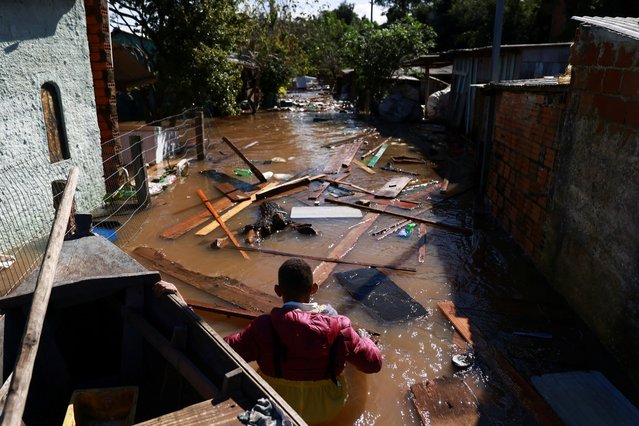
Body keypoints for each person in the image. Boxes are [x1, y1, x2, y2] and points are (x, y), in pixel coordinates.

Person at [224, 258, 382, 424]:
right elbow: (373, 364)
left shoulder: (262, 326)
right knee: (350, 354)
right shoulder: (338, 325)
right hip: (326, 408)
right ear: (313, 289)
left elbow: (227, 350)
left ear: (278, 291)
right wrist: (365, 340)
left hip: (275, 406)